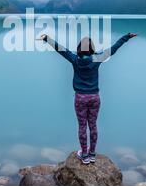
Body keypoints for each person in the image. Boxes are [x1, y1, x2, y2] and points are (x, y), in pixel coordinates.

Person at [38, 33, 138, 164]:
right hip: (94, 97)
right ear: (92, 48)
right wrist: (126, 37)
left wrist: (47, 39)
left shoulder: (74, 59)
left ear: (79, 48)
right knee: (93, 125)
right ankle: (92, 154)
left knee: (82, 126)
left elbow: (60, 49)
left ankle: (84, 155)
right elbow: (114, 48)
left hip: (80, 98)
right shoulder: (97, 58)